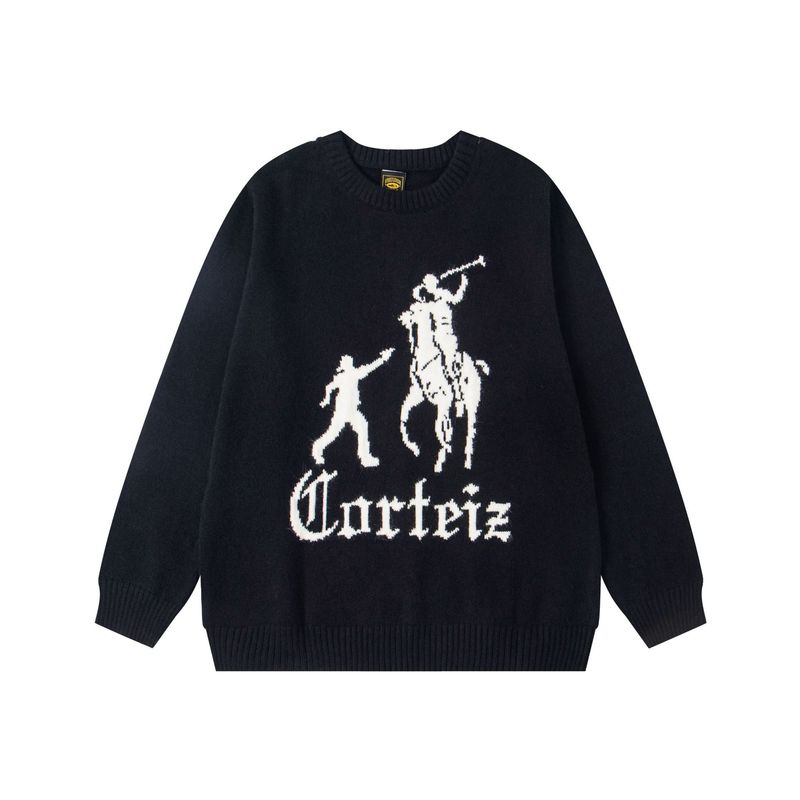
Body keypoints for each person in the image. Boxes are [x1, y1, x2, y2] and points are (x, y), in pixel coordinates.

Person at [311, 348, 394, 468]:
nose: (351, 363)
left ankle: (365, 458)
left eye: (350, 361)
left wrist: (382, 359)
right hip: (342, 412)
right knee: (332, 434)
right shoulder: (345, 376)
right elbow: (329, 387)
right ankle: (317, 450)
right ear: (345, 365)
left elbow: (370, 368)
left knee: (362, 428)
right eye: (348, 362)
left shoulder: (354, 373)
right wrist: (326, 399)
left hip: (352, 411)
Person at [411, 272, 468, 406]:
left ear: (434, 284)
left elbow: (457, 299)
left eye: (429, 284)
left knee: (448, 365)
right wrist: (419, 289)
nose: (427, 287)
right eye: (426, 285)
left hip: (447, 336)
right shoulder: (429, 303)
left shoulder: (444, 295)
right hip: (435, 338)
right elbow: (417, 298)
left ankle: (458, 396)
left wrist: (463, 283)